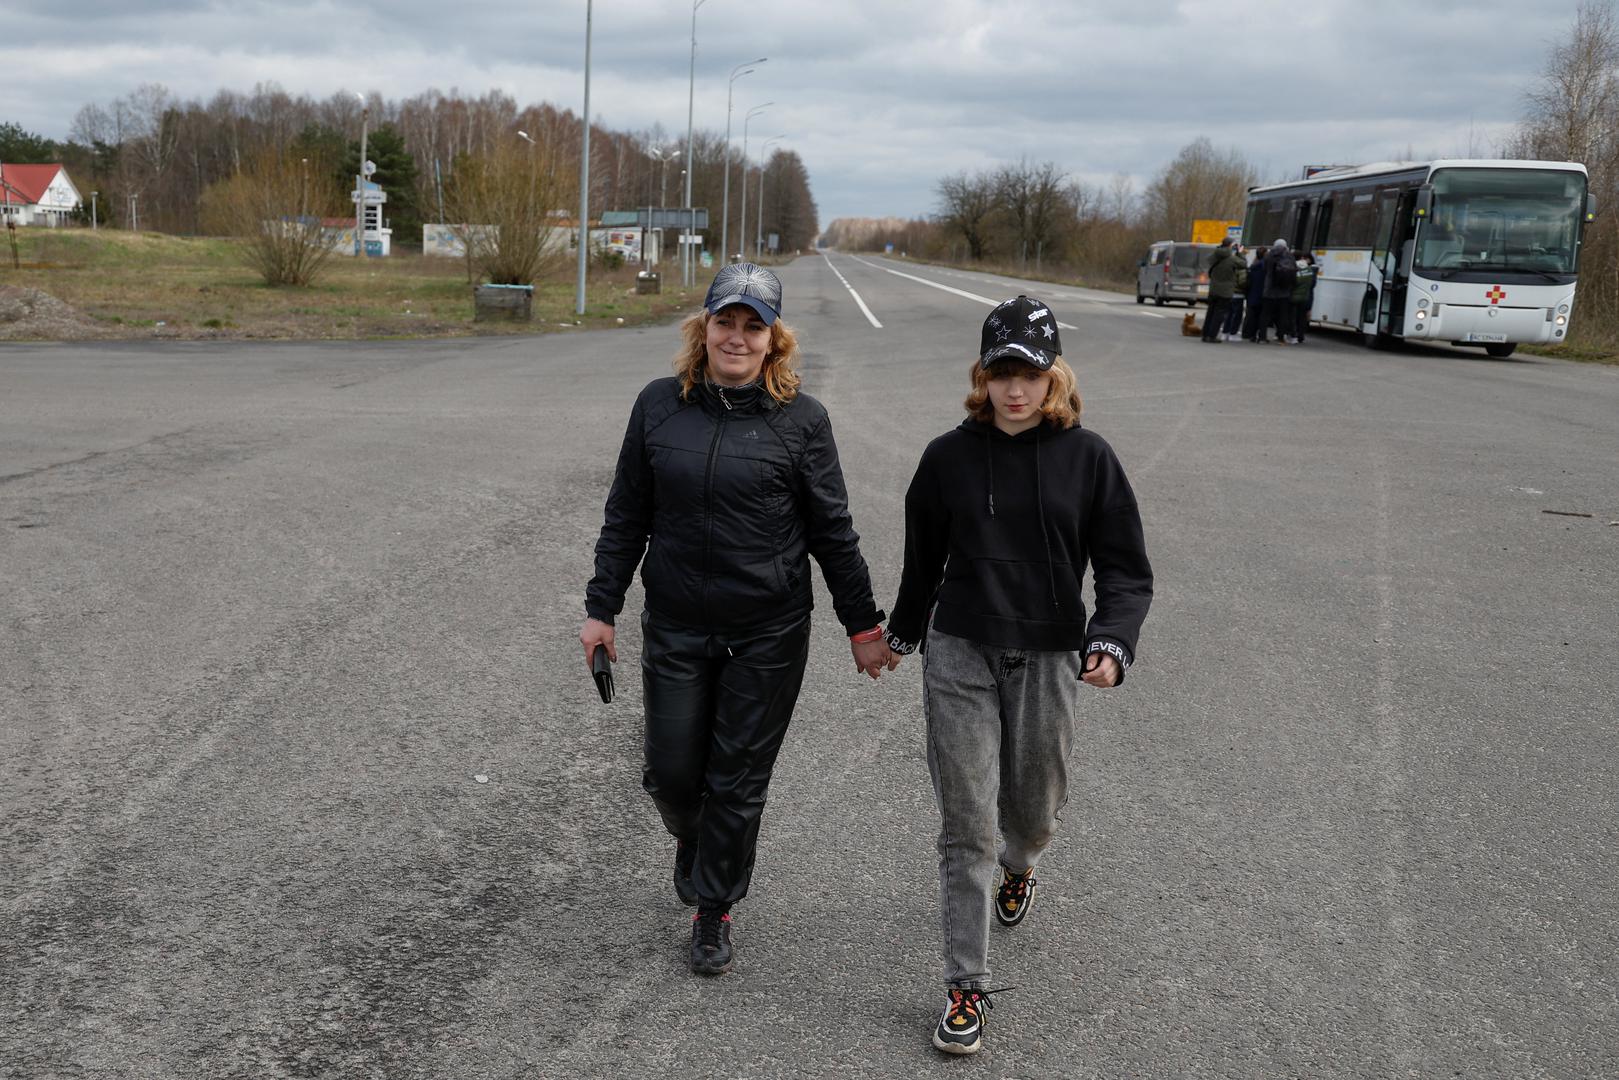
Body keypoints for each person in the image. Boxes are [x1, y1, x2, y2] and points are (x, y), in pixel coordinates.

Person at [580, 262, 891, 977]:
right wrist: (602, 609)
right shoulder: (659, 406)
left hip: (768, 631)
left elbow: (832, 533)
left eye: (754, 327)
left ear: (773, 340)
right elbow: (626, 514)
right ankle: (697, 840)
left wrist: (862, 625)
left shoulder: (802, 422)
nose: (738, 337)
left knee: (737, 778)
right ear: (704, 327)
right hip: (678, 624)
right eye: (726, 321)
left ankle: (713, 908)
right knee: (669, 773)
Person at [882, 296, 1154, 1056]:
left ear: (1052, 376)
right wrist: (897, 637)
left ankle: (1022, 865)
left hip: (1048, 654)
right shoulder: (946, 458)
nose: (1014, 389)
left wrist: (1111, 642)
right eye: (1000, 372)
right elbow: (920, 564)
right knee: (965, 824)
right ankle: (965, 987)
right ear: (982, 375)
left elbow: (1127, 573)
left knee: (1029, 814)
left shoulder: (1088, 457)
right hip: (960, 649)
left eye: (1028, 374)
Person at [1202, 237, 1242, 343]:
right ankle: (1212, 336)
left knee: (1210, 312)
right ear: (1230, 246)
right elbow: (1243, 264)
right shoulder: (1232, 259)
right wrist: (1240, 253)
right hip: (1225, 291)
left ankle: (1205, 334)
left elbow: (1208, 263)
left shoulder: (1215, 255)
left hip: (1213, 289)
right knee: (1219, 315)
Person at [1258, 237, 1297, 344]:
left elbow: (1265, 269)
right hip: (1284, 291)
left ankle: (1262, 337)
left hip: (1269, 290)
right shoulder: (1290, 256)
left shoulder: (1268, 256)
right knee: (1282, 315)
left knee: (1265, 315)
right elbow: (1294, 271)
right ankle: (1281, 337)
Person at [1239, 243, 1268, 341]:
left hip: (1251, 294)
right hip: (1261, 294)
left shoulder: (1253, 266)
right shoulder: (1265, 267)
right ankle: (1255, 334)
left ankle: (1247, 333)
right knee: (1260, 315)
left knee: (1250, 314)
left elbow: (1248, 281)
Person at [1221, 244, 1249, 341]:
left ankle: (1225, 333)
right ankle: (1233, 334)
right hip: (1238, 294)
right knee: (1236, 315)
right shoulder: (1240, 265)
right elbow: (1242, 281)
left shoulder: (1226, 262)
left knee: (1228, 314)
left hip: (1228, 292)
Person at [1290, 251, 1317, 344]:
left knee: (1295, 316)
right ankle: (1300, 335)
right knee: (1302, 317)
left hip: (1297, 296)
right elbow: (1312, 284)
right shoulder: (1310, 271)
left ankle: (1295, 335)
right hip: (1306, 297)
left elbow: (1294, 282)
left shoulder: (1297, 269)